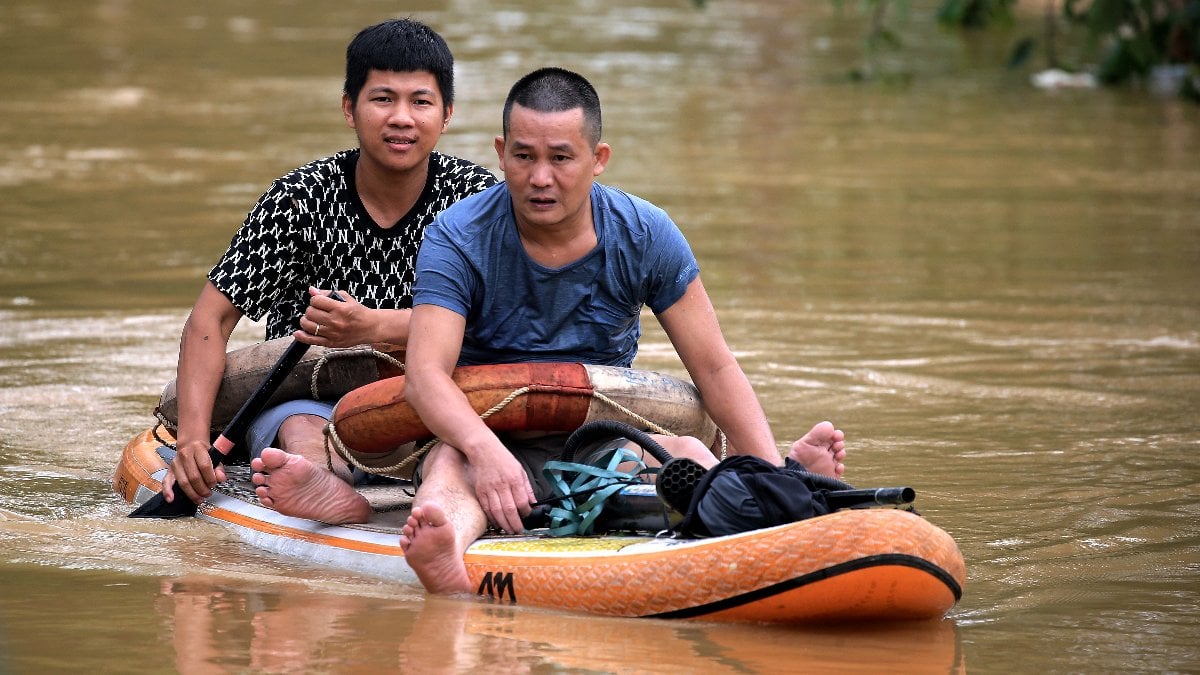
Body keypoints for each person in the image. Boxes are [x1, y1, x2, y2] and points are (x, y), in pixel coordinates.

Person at [397, 67, 847, 594]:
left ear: (598, 159)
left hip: (600, 436)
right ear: (501, 153)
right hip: (488, 433)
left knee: (686, 455)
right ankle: (444, 551)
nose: (540, 177)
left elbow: (715, 366)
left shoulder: (646, 233)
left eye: (561, 158)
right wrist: (485, 451)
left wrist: (768, 474)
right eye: (524, 156)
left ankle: (780, 485)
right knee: (448, 467)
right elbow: (425, 375)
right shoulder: (457, 236)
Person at [160, 18, 497, 523]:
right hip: (311, 397)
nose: (402, 118)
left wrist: (374, 327)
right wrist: (190, 441)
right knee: (299, 430)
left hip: (435, 395)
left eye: (421, 102)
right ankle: (319, 483)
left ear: (446, 115)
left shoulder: (476, 200)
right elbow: (210, 321)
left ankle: (441, 493)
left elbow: (504, 318)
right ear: (349, 108)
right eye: (382, 99)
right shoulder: (298, 199)